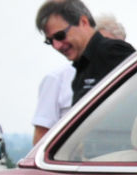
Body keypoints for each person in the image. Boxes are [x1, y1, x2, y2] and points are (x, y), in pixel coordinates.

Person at [31, 11, 128, 140]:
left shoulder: (130, 77)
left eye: (116, 48)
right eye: (102, 43)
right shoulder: (57, 78)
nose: (106, 52)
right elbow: (41, 133)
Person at [35, 0, 134, 107]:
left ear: (83, 22)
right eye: (50, 41)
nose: (56, 46)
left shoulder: (112, 51)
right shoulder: (81, 68)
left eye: (60, 35)